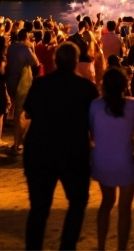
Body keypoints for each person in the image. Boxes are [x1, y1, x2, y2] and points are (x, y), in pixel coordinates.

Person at [22, 41, 99, 250]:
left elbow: (28, 112)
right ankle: (67, 245)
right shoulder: (86, 87)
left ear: (55, 60)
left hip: (39, 150)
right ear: (76, 61)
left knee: (39, 208)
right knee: (77, 202)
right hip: (73, 151)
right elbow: (94, 121)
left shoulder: (40, 84)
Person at [90, 68, 134, 251]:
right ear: (125, 85)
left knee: (106, 202)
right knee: (124, 208)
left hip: (102, 160)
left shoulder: (95, 105)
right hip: (126, 160)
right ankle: (121, 248)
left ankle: (101, 246)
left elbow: (91, 131)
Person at [6, 28, 39, 154]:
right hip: (22, 85)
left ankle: (19, 141)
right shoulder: (26, 49)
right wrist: (32, 48)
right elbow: (36, 63)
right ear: (26, 38)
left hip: (11, 83)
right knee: (20, 115)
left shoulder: (11, 47)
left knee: (19, 113)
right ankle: (17, 144)